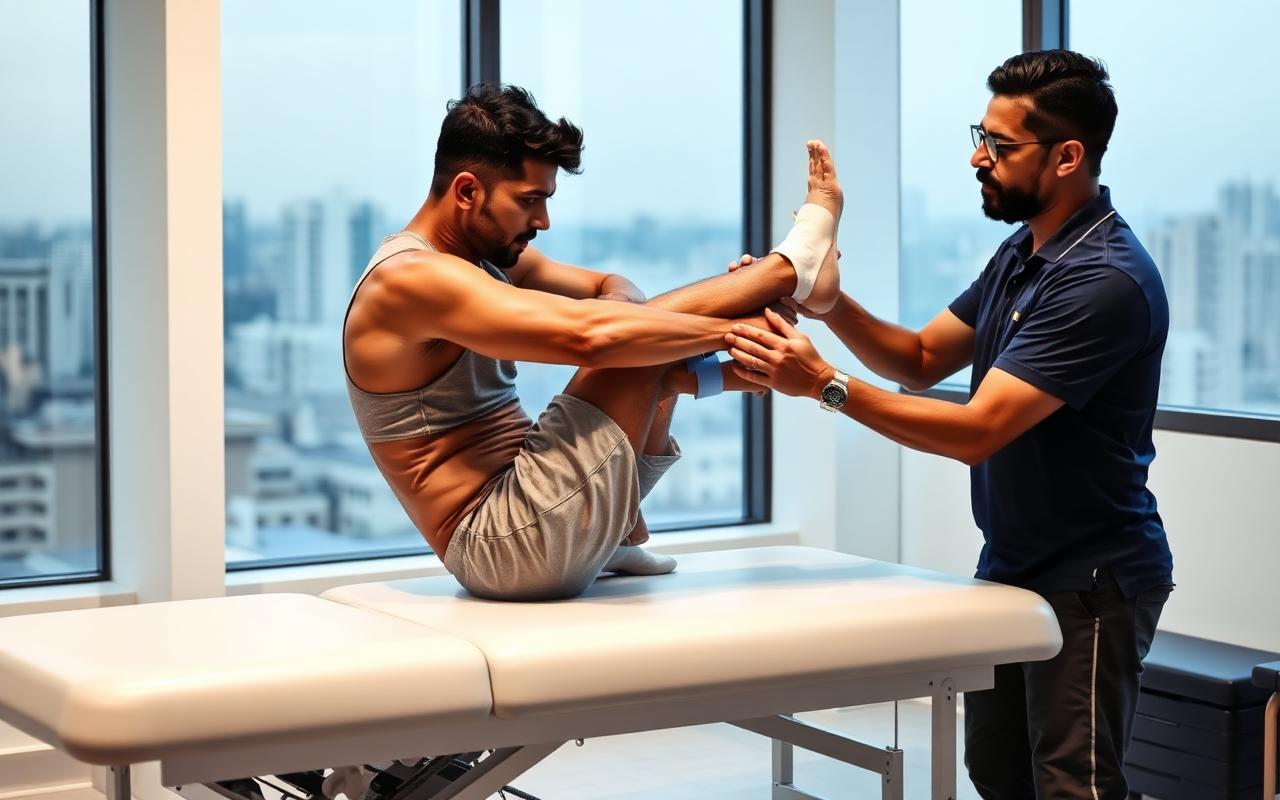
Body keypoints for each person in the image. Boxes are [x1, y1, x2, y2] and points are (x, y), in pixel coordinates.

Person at [725, 50, 1173, 798]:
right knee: (996, 772)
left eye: (1000, 146)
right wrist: (833, 305)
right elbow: (923, 357)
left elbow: (978, 430)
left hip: (1093, 579)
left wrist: (822, 385)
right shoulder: (1023, 253)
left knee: (1074, 785)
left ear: (1067, 157)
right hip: (1013, 563)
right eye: (981, 134)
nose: (978, 157)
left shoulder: (1103, 280)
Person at [342, 83, 843, 602]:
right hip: (504, 544)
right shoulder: (409, 279)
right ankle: (791, 271)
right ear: (467, 192)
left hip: (543, 504)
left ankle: (780, 290)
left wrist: (661, 332)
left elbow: (614, 288)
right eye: (529, 201)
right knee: (629, 342)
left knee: (642, 342)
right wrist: (732, 330)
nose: (543, 221)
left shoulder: (486, 260)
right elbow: (589, 338)